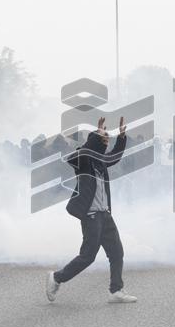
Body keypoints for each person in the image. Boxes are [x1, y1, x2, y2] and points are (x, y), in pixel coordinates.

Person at [45, 116, 135, 303]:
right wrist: (95, 134)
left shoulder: (100, 161)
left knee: (117, 252)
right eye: (103, 137)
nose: (106, 139)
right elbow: (73, 157)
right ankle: (56, 278)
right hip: (91, 215)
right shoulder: (83, 160)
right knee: (88, 256)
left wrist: (122, 137)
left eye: (106, 137)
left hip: (104, 214)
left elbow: (115, 156)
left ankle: (115, 290)